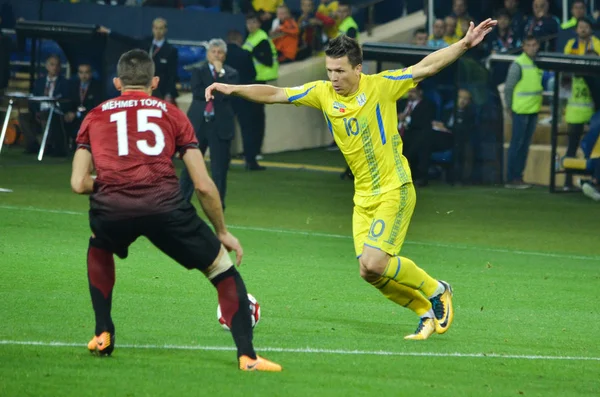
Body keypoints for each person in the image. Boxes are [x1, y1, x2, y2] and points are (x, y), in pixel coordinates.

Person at [205, 18, 498, 340]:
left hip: (394, 188)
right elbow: (276, 93)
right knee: (369, 272)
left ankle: (437, 289)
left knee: (375, 261)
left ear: (358, 69)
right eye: (330, 71)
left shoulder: (382, 85)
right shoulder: (322, 93)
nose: (334, 78)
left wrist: (464, 45)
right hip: (363, 197)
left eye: (340, 71)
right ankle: (424, 312)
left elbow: (426, 67)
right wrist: (233, 89)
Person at [70, 49, 281, 372]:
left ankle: (102, 333)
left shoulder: (95, 115)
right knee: (222, 271)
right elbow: (203, 185)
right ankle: (248, 357)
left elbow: (78, 183)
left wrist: (115, 181)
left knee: (99, 244)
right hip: (165, 206)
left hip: (112, 207)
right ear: (154, 81)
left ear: (117, 82)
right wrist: (222, 231)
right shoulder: (171, 113)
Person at [180, 39, 239, 210]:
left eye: (220, 52)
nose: (216, 55)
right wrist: (217, 90)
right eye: (213, 52)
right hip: (199, 124)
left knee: (219, 168)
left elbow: (228, 95)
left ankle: (218, 205)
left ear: (225, 56)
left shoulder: (231, 74)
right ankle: (182, 202)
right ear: (208, 54)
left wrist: (220, 75)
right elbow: (198, 92)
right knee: (190, 166)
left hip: (220, 125)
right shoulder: (198, 70)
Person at [504, 35, 542, 189]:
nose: (532, 48)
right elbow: (508, 88)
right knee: (518, 144)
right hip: (520, 110)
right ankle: (513, 177)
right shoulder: (518, 64)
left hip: (533, 109)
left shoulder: (536, 63)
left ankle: (518, 176)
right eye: (529, 45)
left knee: (523, 145)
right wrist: (510, 107)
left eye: (534, 44)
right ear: (524, 47)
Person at [63, 63, 103, 151]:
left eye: (86, 72)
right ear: (78, 74)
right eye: (81, 72)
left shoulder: (97, 86)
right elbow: (68, 101)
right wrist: (69, 112)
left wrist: (77, 113)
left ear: (91, 73)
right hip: (74, 115)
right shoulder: (73, 85)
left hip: (89, 116)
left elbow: (96, 106)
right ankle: (62, 148)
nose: (84, 75)